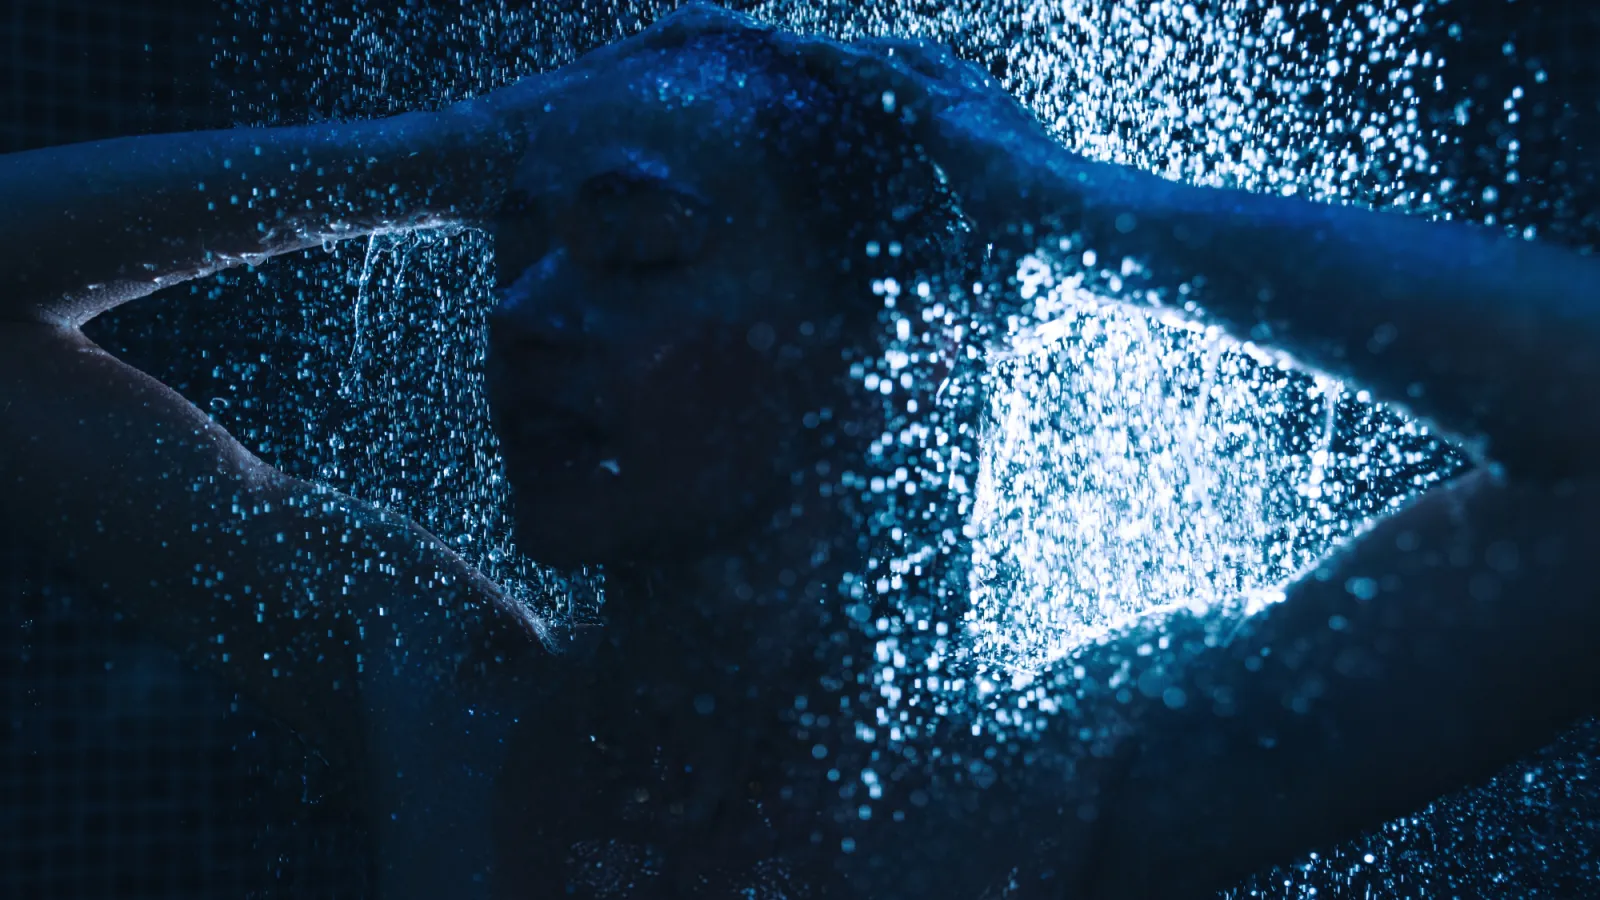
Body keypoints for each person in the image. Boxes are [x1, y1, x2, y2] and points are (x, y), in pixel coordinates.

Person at [1, 3, 1597, 898]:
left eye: (636, 249)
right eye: (514, 244)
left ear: (880, 349)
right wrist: (427, 155)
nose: (525, 315)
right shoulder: (435, 697)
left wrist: (1069, 210)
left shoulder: (1080, 785)